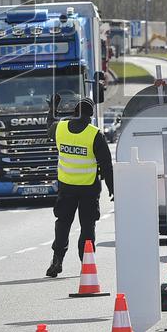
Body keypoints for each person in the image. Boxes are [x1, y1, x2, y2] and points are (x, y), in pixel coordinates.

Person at [45, 94, 113, 278]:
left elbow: (49, 125)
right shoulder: (94, 134)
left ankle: (57, 260)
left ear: (75, 112)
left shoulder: (60, 128)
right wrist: (112, 188)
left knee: (63, 224)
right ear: (90, 115)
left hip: (66, 187)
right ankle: (86, 264)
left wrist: (53, 108)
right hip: (88, 190)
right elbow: (106, 164)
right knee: (87, 227)